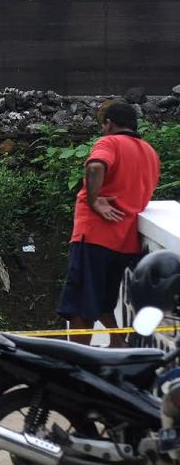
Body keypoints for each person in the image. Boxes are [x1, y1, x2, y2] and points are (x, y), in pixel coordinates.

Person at [57, 101, 160, 346]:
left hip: (94, 236)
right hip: (125, 244)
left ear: (109, 124)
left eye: (103, 125)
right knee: (103, 303)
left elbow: (95, 166)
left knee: (80, 307)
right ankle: (117, 342)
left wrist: (94, 201)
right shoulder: (150, 153)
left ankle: (77, 364)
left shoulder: (109, 142)